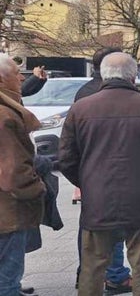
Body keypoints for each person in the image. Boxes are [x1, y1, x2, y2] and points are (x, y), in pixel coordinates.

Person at [59, 52, 140, 294]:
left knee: (93, 265)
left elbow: (66, 158)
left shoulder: (80, 109)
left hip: (97, 198)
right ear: (134, 77)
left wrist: (87, 182)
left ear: (102, 75)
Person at [70, 47, 134, 294]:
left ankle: (85, 272)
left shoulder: (83, 92)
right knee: (114, 228)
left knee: (89, 226)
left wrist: (81, 176)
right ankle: (115, 275)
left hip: (91, 173)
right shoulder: (116, 93)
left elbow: (69, 147)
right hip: (118, 172)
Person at [0, 54, 45, 296]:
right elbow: (13, 169)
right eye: (16, 73)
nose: (21, 78)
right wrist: (35, 187)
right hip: (6, 206)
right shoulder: (4, 114)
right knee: (7, 272)